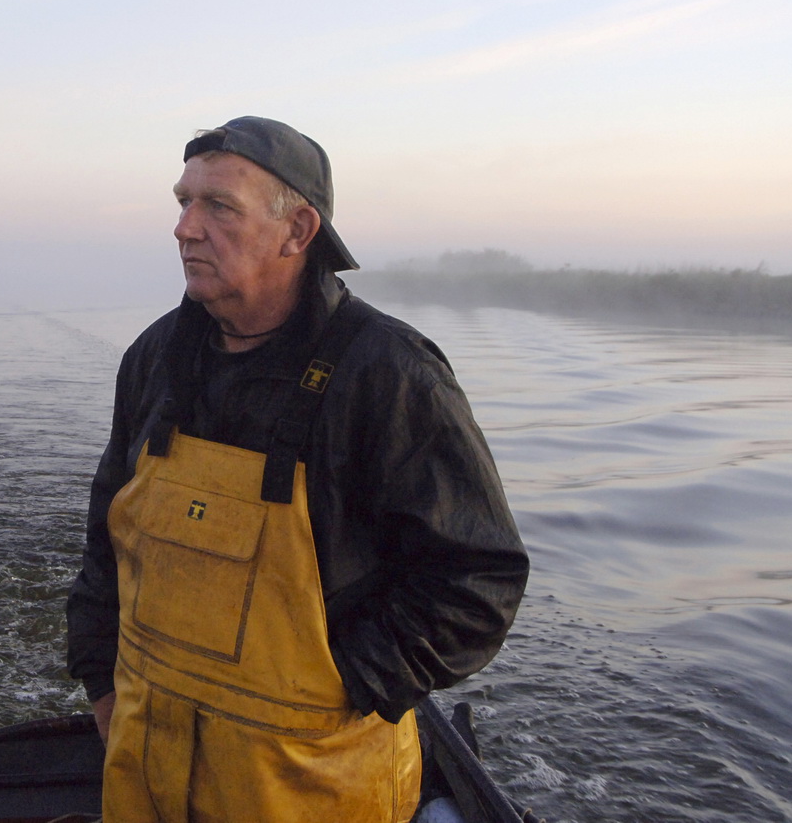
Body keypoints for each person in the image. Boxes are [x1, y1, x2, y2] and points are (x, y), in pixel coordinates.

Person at [65, 116, 529, 822]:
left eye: (217, 206)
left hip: (314, 787)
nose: (185, 228)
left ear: (298, 230)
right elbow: (106, 541)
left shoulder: (390, 374)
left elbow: (479, 580)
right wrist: (103, 682)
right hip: (147, 775)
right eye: (183, 201)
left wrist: (340, 683)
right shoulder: (153, 360)